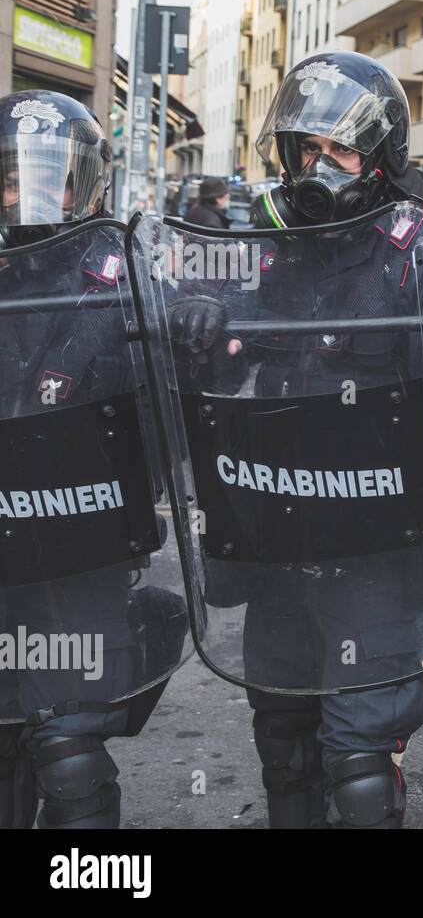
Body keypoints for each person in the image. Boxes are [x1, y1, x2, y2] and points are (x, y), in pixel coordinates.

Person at [165, 52, 423, 828]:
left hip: (378, 549)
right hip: (277, 545)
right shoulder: (258, 256)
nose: (319, 165)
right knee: (284, 742)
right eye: (306, 148)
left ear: (380, 156)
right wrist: (197, 336)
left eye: (339, 149)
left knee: (360, 760)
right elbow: (202, 404)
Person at [0, 90, 187, 828]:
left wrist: (189, 351)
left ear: (83, 185)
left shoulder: (130, 278)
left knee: (70, 751)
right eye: (10, 176)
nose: (25, 194)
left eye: (47, 175)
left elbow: (168, 430)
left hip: (82, 551)